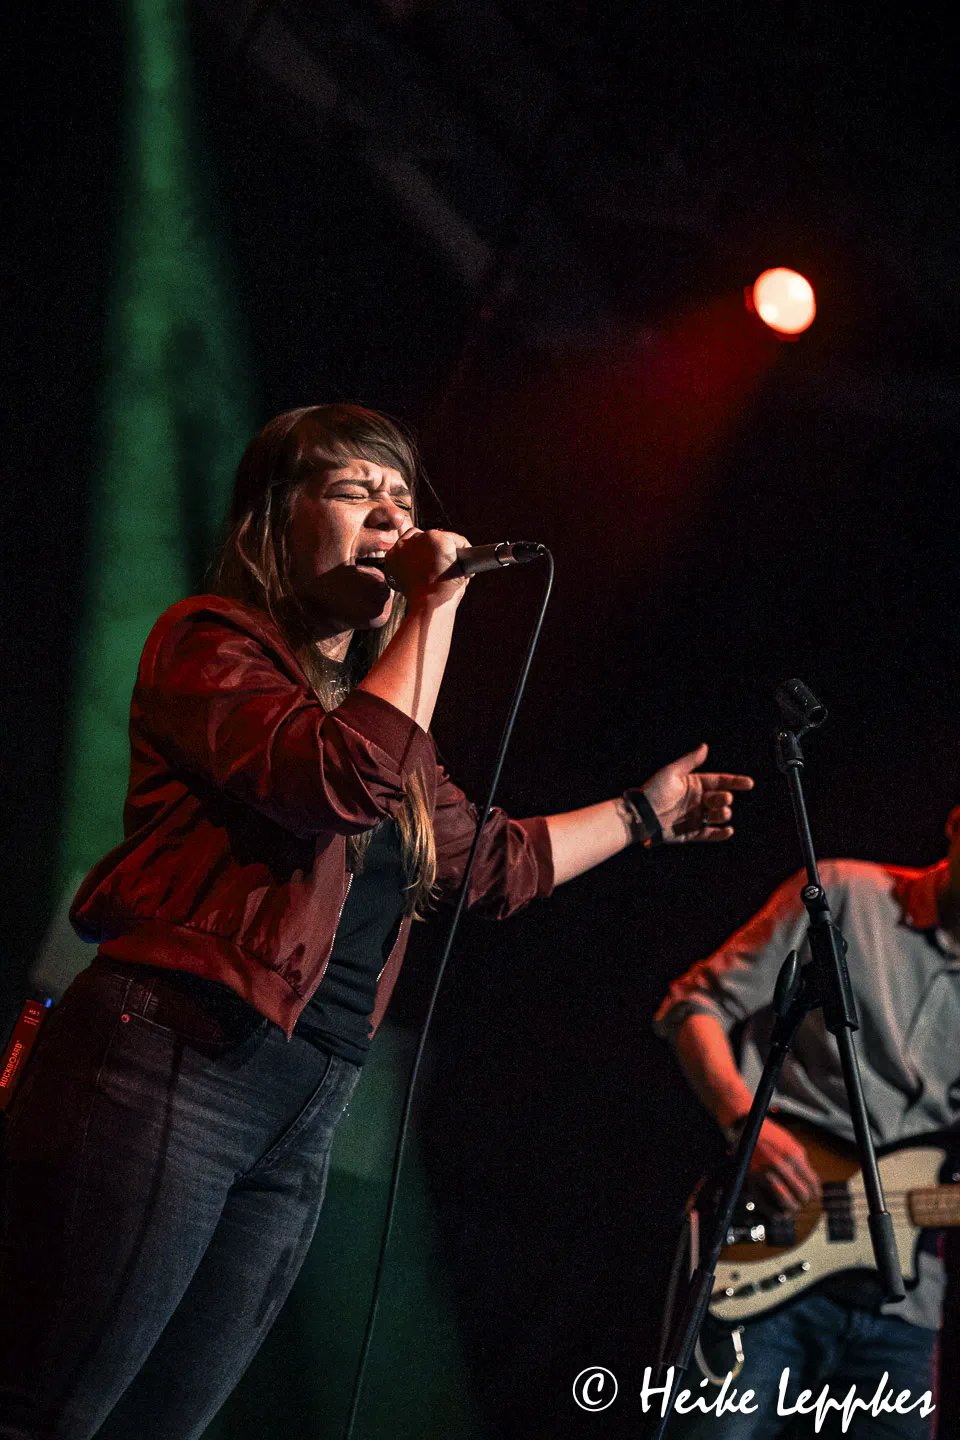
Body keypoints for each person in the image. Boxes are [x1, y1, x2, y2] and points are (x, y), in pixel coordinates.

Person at [0, 404, 752, 1440]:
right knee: (48, 1408)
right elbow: (337, 781)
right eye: (357, 491)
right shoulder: (211, 643)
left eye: (402, 495)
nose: (393, 514)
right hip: (174, 1057)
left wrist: (641, 816)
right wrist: (431, 610)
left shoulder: (379, 721)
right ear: (277, 519)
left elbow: (492, 863)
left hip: (308, 1103)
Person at [654, 810, 960, 1438]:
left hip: (904, 1306)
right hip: (765, 1250)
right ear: (955, 826)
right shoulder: (843, 894)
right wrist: (744, 1122)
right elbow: (694, 1005)